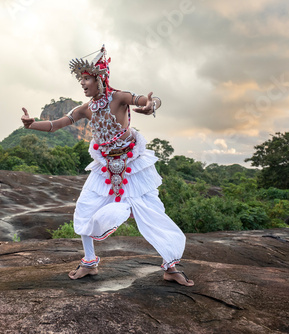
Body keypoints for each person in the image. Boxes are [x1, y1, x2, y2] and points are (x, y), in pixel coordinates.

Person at [21, 46, 194, 286]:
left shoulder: (119, 97)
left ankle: (171, 266)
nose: (82, 84)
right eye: (80, 79)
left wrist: (151, 105)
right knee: (84, 210)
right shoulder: (85, 109)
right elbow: (55, 125)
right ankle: (89, 262)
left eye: (86, 79)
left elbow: (144, 100)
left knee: (153, 214)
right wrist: (31, 125)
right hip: (105, 167)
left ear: (100, 78)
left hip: (133, 165)